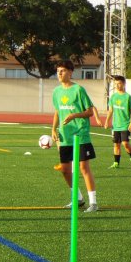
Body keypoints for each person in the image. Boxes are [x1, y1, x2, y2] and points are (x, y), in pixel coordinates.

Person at [51, 60, 99, 213]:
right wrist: (53, 128)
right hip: (65, 135)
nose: (59, 73)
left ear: (70, 72)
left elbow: (90, 111)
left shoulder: (78, 90)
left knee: (83, 167)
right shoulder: (56, 92)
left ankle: (93, 203)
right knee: (65, 170)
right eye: (58, 70)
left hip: (80, 135)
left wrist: (74, 116)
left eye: (63, 70)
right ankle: (78, 199)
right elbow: (58, 111)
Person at [54, 106, 102, 171]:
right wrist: (54, 129)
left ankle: (72, 166)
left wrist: (97, 118)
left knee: (83, 165)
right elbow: (57, 110)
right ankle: (65, 163)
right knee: (59, 141)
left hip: (78, 128)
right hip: (66, 127)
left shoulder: (80, 96)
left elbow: (92, 107)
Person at [104, 75, 131, 169]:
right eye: (116, 84)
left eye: (119, 84)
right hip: (115, 126)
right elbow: (110, 111)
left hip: (125, 125)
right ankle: (116, 163)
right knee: (116, 145)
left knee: (125, 143)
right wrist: (107, 121)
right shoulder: (113, 97)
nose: (117, 86)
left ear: (124, 84)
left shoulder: (128, 97)